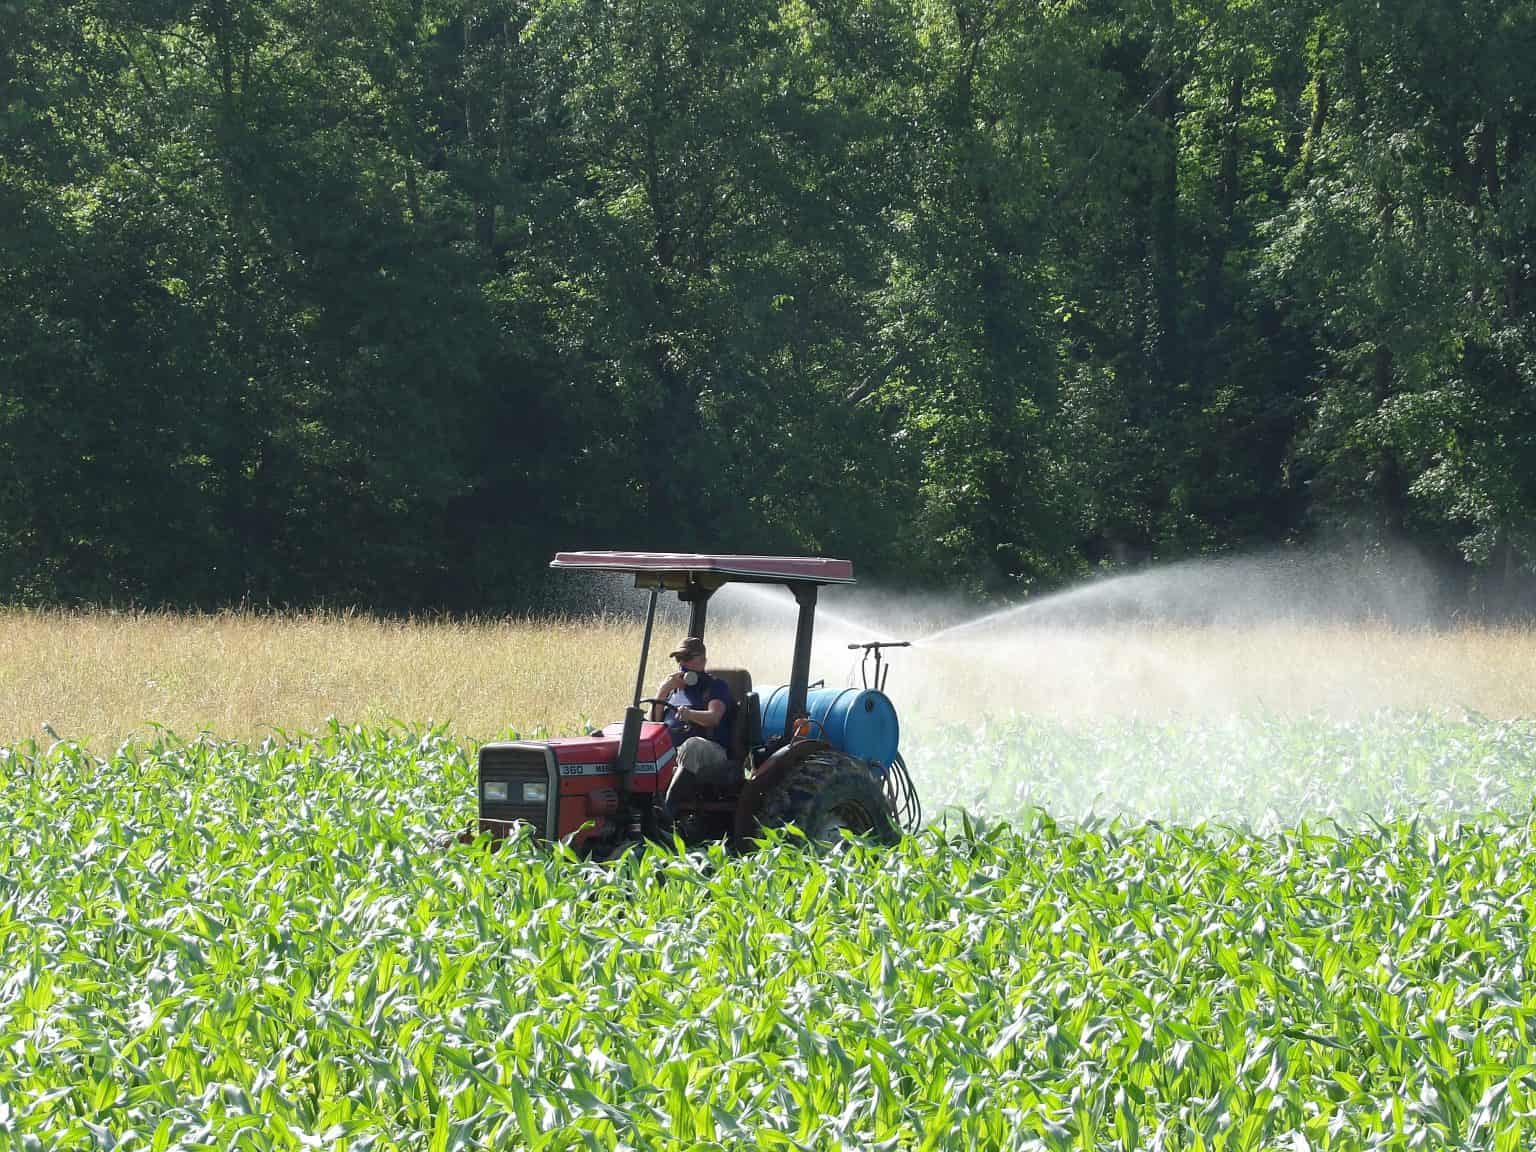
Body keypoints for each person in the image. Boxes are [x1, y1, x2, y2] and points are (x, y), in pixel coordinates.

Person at [651, 636, 736, 817]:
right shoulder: (673, 689)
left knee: (692, 745)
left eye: (688, 658)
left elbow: (714, 717)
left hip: (711, 751)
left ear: (703, 660)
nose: (682, 663)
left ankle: (669, 807)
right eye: (679, 659)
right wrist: (663, 690)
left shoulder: (715, 686)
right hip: (672, 751)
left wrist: (690, 715)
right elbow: (654, 725)